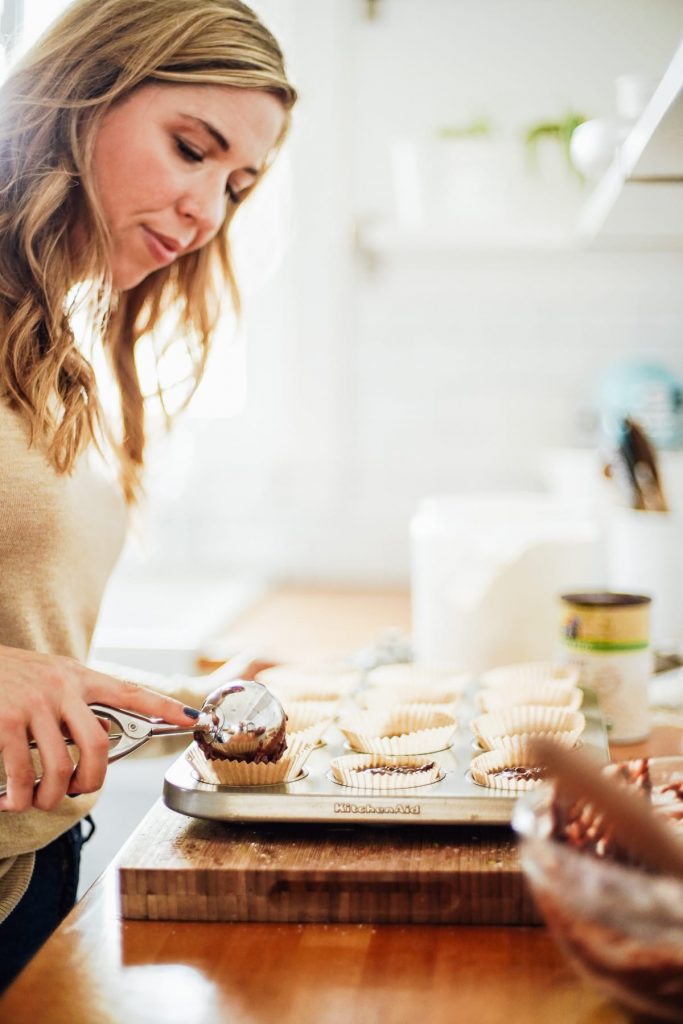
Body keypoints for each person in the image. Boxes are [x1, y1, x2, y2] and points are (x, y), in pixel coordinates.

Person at [0, 0, 296, 989]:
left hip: (29, 874)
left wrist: (156, 706)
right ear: (81, 94)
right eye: (189, 147)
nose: (207, 212)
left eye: (236, 186)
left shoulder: (55, 347)